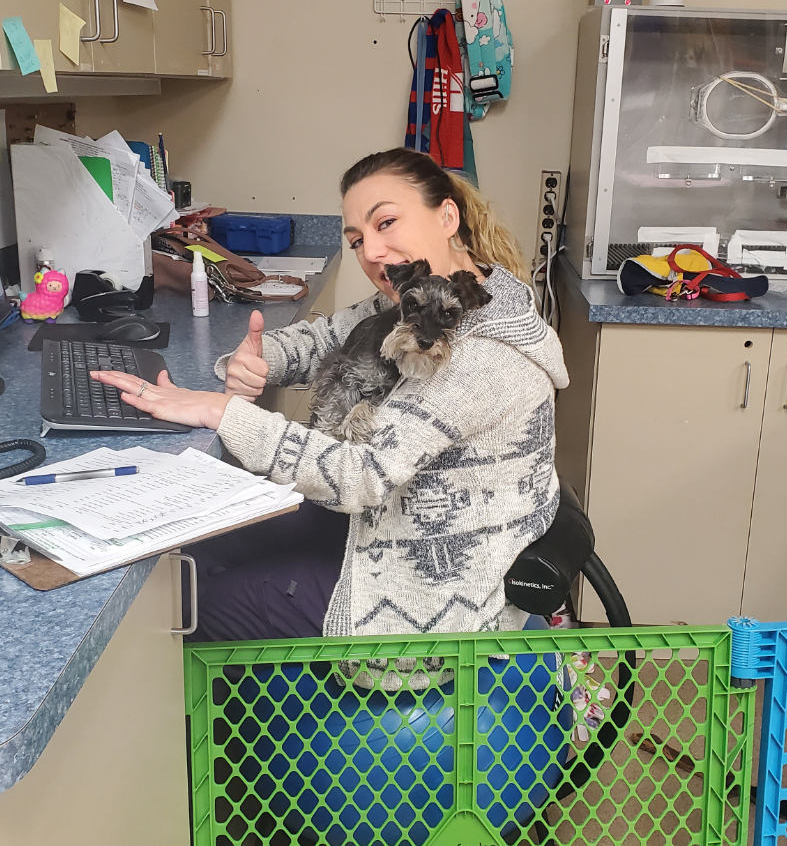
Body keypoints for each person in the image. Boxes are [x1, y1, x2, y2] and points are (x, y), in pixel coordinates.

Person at [91, 147, 569, 641]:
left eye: (386, 223)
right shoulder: (434, 294)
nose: (373, 253)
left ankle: (243, 717)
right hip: (384, 526)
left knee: (191, 605)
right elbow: (330, 336)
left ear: (448, 215)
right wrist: (258, 358)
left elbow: (360, 475)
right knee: (194, 552)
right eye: (358, 239)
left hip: (426, 602)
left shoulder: (481, 355)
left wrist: (223, 411)